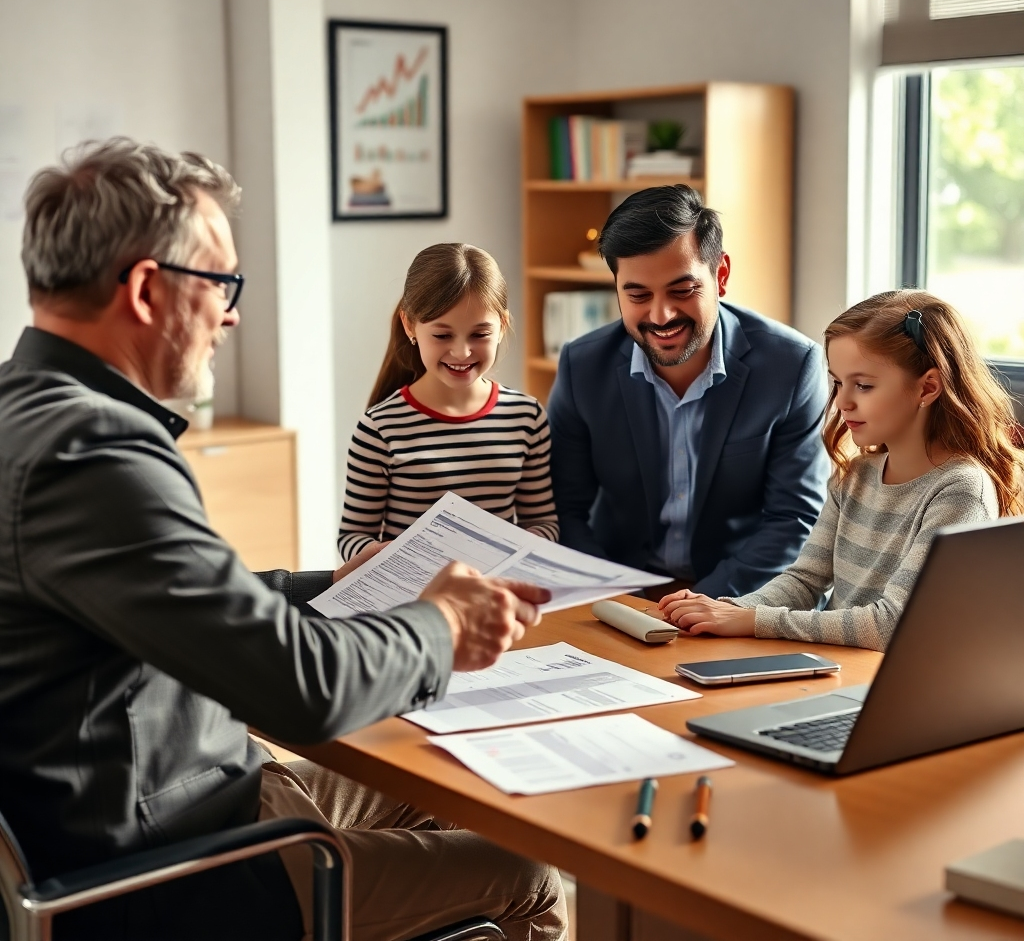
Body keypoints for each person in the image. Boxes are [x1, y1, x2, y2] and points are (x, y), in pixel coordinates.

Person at [0, 139, 567, 941]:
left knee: (444, 785)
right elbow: (303, 692)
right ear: (146, 289)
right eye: (222, 284)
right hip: (182, 868)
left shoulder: (26, 414)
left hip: (191, 797)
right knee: (529, 879)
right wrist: (441, 624)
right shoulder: (91, 454)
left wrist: (357, 584)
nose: (231, 313)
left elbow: (195, 601)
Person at [660, 290, 1022, 651]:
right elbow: (804, 581)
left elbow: (893, 623)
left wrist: (751, 620)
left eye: (863, 385)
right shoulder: (857, 475)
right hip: (836, 669)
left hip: (889, 684)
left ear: (928, 387)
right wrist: (724, 611)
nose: (843, 402)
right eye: (837, 382)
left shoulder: (960, 490)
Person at [547, 184, 830, 599]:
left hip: (739, 595)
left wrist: (698, 605)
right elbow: (564, 509)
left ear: (721, 275)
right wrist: (612, 597)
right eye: (638, 294)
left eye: (683, 290)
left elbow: (795, 519)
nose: (661, 315)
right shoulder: (582, 366)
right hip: (620, 591)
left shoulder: (792, 365)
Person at [338, 243, 557, 560]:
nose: (461, 353)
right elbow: (352, 535)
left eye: (479, 334)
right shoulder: (379, 429)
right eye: (442, 336)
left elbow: (543, 522)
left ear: (502, 326)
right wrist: (384, 555)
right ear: (410, 325)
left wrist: (521, 548)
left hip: (495, 596)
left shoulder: (526, 417)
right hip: (417, 601)